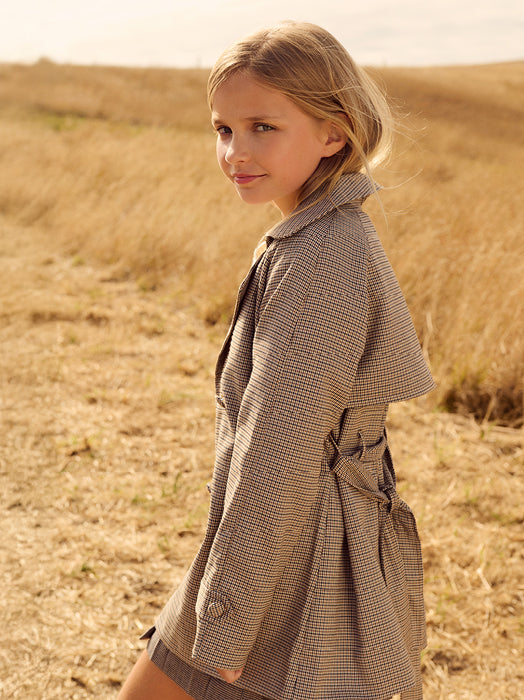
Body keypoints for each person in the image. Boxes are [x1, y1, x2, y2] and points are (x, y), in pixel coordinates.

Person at [118, 21, 434, 700]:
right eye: (223, 129)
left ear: (333, 133)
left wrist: (226, 620)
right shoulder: (311, 235)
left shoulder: (322, 256)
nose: (235, 151)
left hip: (294, 564)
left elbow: (277, 452)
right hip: (271, 551)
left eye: (263, 127)